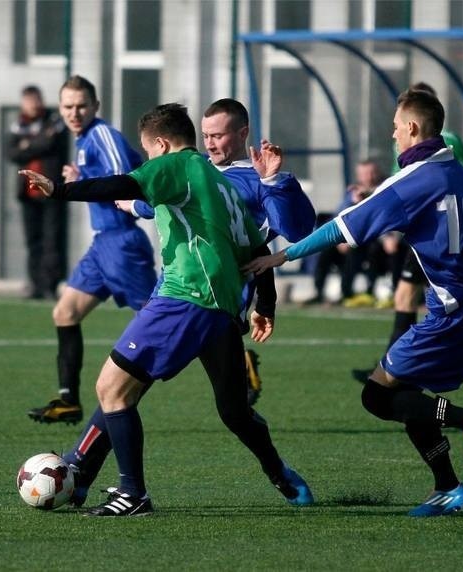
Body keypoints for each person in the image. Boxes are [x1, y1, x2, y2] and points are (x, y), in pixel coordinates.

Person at [19, 102, 313, 517]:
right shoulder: (219, 182)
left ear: (160, 144)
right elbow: (256, 249)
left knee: (113, 386)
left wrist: (60, 190)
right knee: (231, 410)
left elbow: (125, 183)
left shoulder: (179, 164)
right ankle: (279, 473)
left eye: (150, 153)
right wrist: (267, 302)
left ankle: (130, 493)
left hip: (186, 298)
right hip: (221, 309)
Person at [245, 88, 463, 517]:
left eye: (395, 128)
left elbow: (341, 228)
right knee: (406, 393)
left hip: (450, 311)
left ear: (412, 128)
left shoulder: (415, 179)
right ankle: (447, 487)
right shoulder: (459, 174)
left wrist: (280, 255)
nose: (393, 136)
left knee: (377, 396)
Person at [119, 97, 316, 405]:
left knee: (133, 377)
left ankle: (85, 453)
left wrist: (273, 180)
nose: (209, 144)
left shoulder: (259, 178)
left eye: (218, 136)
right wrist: (132, 204)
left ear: (242, 134)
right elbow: (162, 198)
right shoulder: (196, 166)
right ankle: (85, 454)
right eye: (206, 135)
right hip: (177, 285)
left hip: (218, 293)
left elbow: (295, 230)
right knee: (133, 378)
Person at [351, 83, 463, 381]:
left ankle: (391, 371)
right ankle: (395, 370)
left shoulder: (448, 142)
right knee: (431, 295)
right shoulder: (402, 141)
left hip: (440, 233)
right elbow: (402, 185)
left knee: (408, 296)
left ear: (417, 119)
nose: (395, 130)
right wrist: (372, 193)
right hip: (423, 231)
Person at [26, 76, 157, 425]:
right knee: (64, 313)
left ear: (96, 106)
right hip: (102, 244)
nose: (74, 112)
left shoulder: (102, 134)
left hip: (122, 242)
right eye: (68, 106)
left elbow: (121, 181)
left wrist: (77, 183)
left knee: (167, 318)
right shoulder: (84, 141)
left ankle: (238, 358)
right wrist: (80, 175)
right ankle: (68, 400)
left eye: (81, 105)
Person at [7, 85, 70, 300]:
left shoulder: (54, 121)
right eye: (29, 100)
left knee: (53, 240)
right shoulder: (18, 125)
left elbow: (50, 143)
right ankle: (36, 284)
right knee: (33, 241)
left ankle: (51, 285)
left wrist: (28, 145)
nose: (33, 104)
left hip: (50, 190)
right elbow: (12, 153)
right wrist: (39, 141)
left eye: (36, 99)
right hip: (27, 192)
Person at [306, 160, 392, 307]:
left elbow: (384, 217)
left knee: (360, 250)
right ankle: (318, 292)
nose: (368, 177)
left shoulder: (386, 189)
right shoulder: (352, 193)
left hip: (374, 240)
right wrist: (353, 203)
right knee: (326, 250)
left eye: (371, 173)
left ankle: (351, 293)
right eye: (364, 174)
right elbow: (339, 216)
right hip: (353, 238)